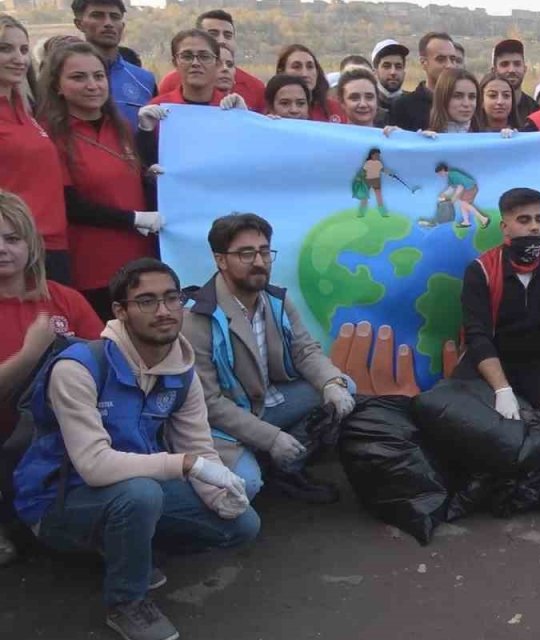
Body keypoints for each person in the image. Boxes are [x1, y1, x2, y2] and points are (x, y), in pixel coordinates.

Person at [13, 257, 258, 640]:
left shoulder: (181, 372)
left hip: (130, 487)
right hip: (57, 502)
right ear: (120, 311)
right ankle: (127, 602)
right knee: (139, 495)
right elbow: (94, 466)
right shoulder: (80, 367)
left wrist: (217, 490)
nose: (163, 311)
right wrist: (189, 465)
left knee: (242, 523)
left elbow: (198, 446)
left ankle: (124, 549)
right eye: (146, 301)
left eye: (171, 298)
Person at [183, 213, 356, 505]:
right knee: (246, 485)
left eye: (264, 251)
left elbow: (305, 351)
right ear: (220, 260)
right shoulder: (197, 317)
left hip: (266, 402)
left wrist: (331, 384)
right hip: (222, 421)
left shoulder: (276, 300)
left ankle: (287, 470)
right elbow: (209, 403)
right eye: (246, 254)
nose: (259, 262)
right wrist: (270, 438)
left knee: (343, 387)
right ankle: (262, 456)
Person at [37, 42, 162, 321]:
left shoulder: (123, 129)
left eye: (98, 76)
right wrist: (132, 219)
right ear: (57, 85)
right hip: (94, 271)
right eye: (78, 77)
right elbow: (71, 205)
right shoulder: (52, 138)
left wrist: (147, 146)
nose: (92, 85)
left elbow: (134, 180)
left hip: (141, 263)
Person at [456, 187, 540, 417]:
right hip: (490, 360)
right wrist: (502, 391)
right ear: (505, 228)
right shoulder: (480, 270)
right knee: (455, 416)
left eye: (539, 219)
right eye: (524, 220)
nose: (535, 226)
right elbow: (477, 335)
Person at [0, 192, 103, 440]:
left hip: (68, 437)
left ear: (31, 244)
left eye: (13, 239)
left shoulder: (66, 299)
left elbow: (108, 364)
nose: (1, 249)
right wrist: (29, 356)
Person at [0, 15, 71, 285]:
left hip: (52, 246)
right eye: (4, 48)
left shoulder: (26, 109)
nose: (18, 58)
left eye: (22, 49)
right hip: (16, 251)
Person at [156, 10, 265, 112]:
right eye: (213, 34)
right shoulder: (171, 82)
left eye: (228, 35)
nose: (222, 41)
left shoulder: (255, 87)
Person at [70, 0, 154, 131]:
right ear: (79, 24)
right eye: (97, 15)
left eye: (114, 17)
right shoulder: (65, 79)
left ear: (123, 25)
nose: (108, 23)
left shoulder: (145, 80)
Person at [389, 32, 458, 132]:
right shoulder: (403, 106)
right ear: (423, 62)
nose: (449, 65)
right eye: (441, 59)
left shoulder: (465, 103)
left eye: (452, 59)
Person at [148, 29, 225, 108]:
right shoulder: (158, 107)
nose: (195, 63)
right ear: (175, 63)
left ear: (217, 63)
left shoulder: (231, 109)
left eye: (204, 57)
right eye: (187, 57)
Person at [275, 44, 344, 124]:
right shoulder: (269, 111)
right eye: (296, 67)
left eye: (310, 67)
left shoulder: (335, 109)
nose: (305, 74)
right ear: (282, 71)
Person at [491, 38, 537, 128]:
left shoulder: (536, 112)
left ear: (525, 69)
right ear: (494, 71)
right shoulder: (478, 112)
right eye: (504, 64)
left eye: (517, 64)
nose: (512, 70)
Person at [423, 67, 478, 134]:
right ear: (442, 98)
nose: (466, 104)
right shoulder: (425, 141)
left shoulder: (487, 139)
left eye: (472, 97)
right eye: (458, 96)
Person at [370, 38, 407, 114]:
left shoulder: (415, 105)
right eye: (386, 66)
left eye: (398, 66)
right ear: (375, 72)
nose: (393, 72)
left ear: (404, 72)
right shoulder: (367, 106)